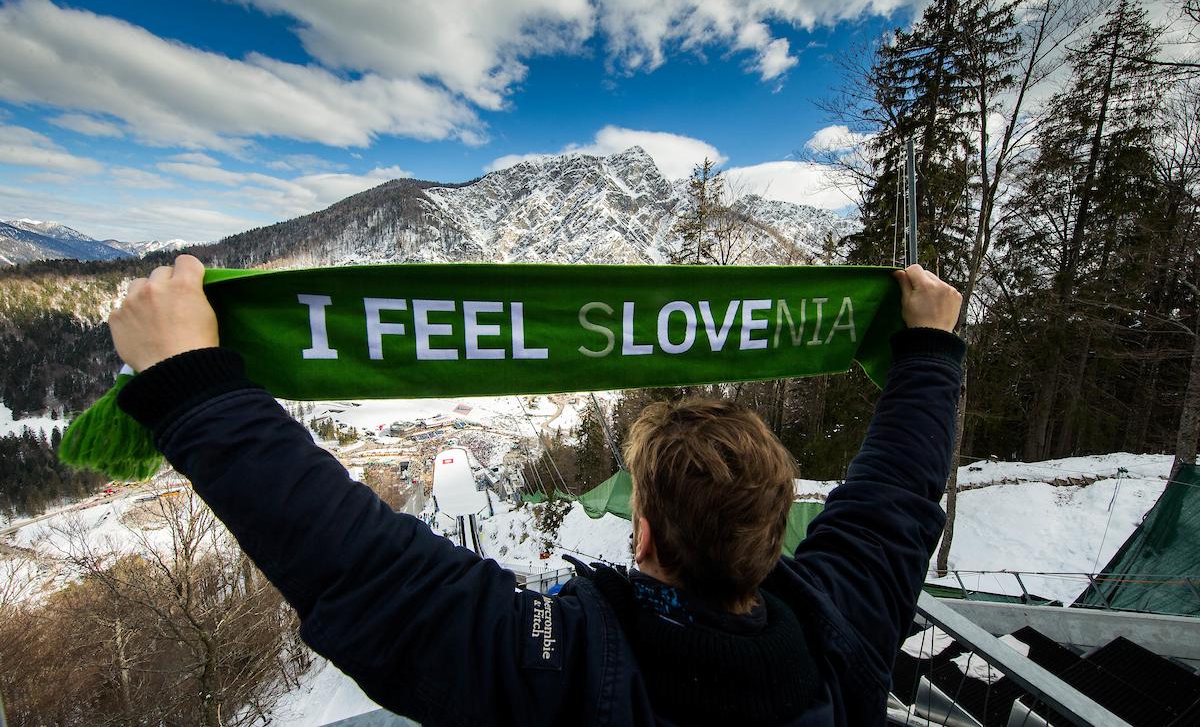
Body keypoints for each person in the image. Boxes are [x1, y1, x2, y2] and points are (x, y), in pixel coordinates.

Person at [109, 254, 964, 726]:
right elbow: (895, 498)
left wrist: (191, 384)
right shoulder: (840, 626)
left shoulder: (564, 666)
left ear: (646, 539)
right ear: (779, 528)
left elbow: (370, 572)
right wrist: (927, 353)